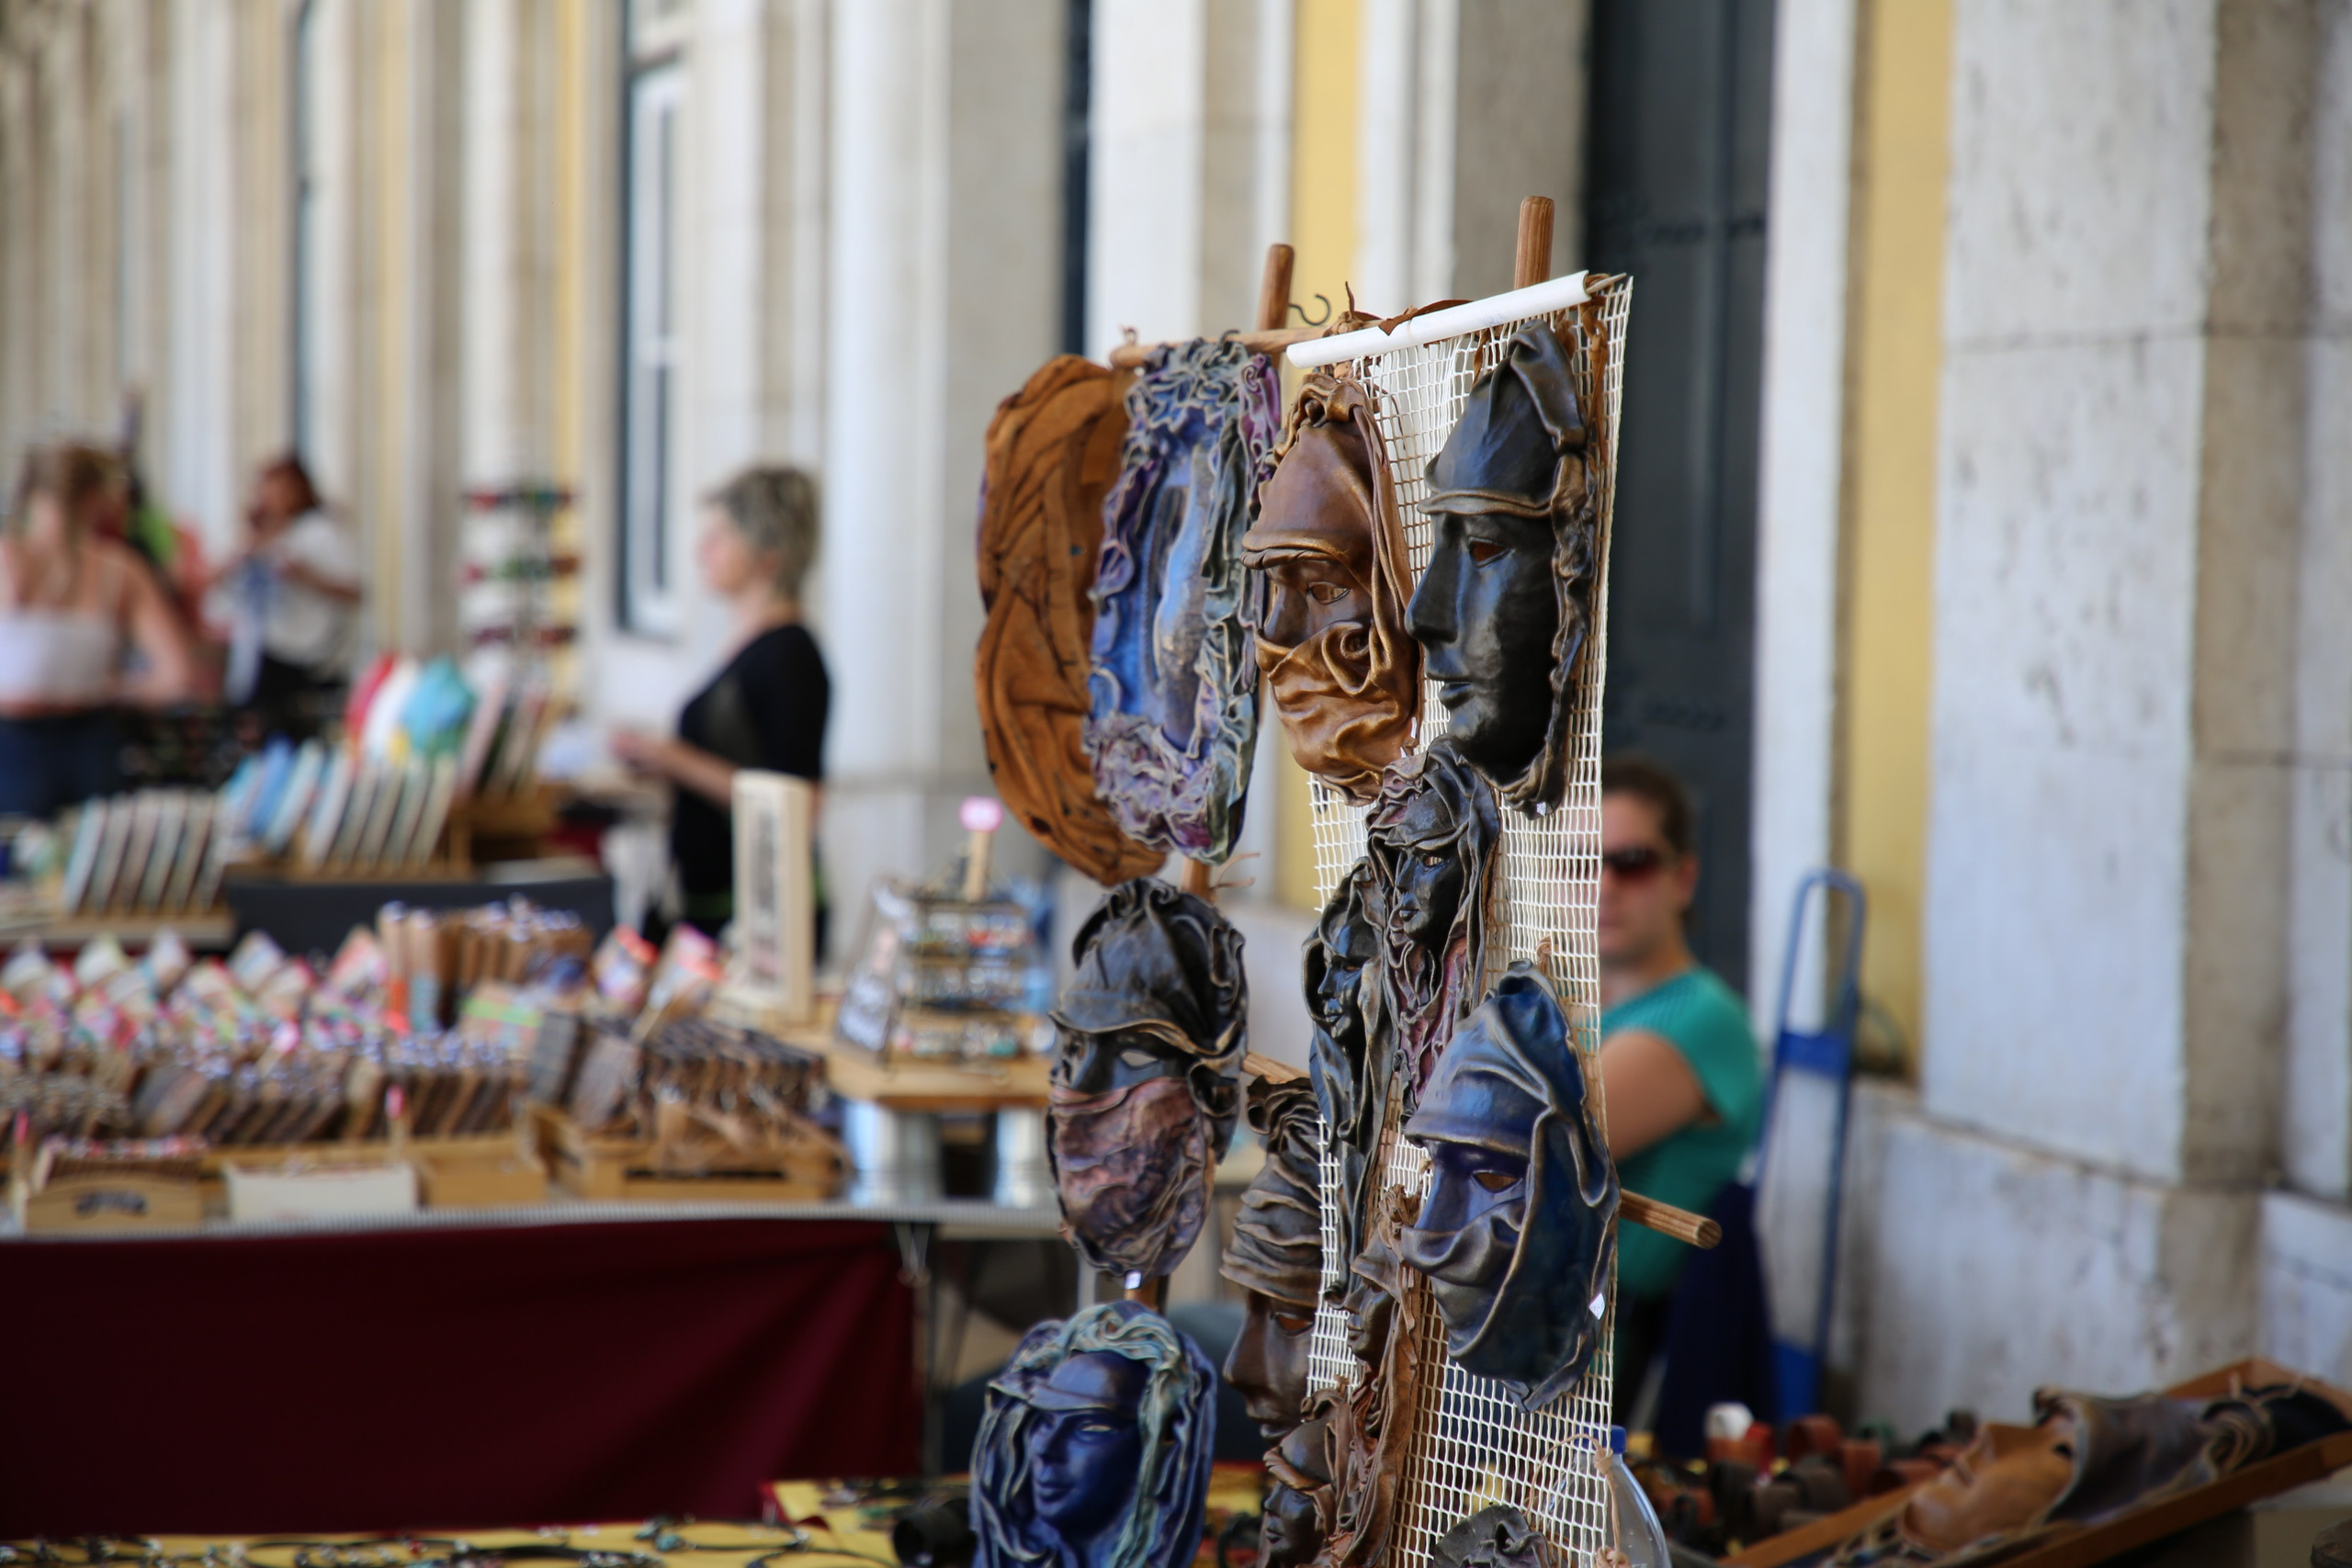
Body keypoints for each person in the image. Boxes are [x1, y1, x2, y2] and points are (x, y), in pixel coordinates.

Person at [1594, 753, 1763, 1413]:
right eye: (1581, 862)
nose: (1604, 884)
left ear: (1683, 877)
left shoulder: (1703, 1018)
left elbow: (1526, 1144)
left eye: (1631, 862)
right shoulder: (1567, 1005)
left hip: (1592, 1372)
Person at [613, 466, 831, 936]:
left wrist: (674, 758)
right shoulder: (753, 646)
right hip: (715, 903)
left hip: (756, 916)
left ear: (768, 556)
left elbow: (798, 802)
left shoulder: (790, 656)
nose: (702, 551)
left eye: (720, 537)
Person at [0, 443, 198, 815]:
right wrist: (115, 687)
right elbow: (177, 677)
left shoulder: (8, 559)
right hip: (89, 742)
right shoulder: (119, 570)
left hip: (16, 745)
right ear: (96, 499)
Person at [210, 454, 361, 735]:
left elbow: (355, 591)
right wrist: (244, 552)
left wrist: (305, 576)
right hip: (255, 648)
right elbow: (215, 582)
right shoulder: (254, 536)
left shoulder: (320, 532)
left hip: (303, 650)